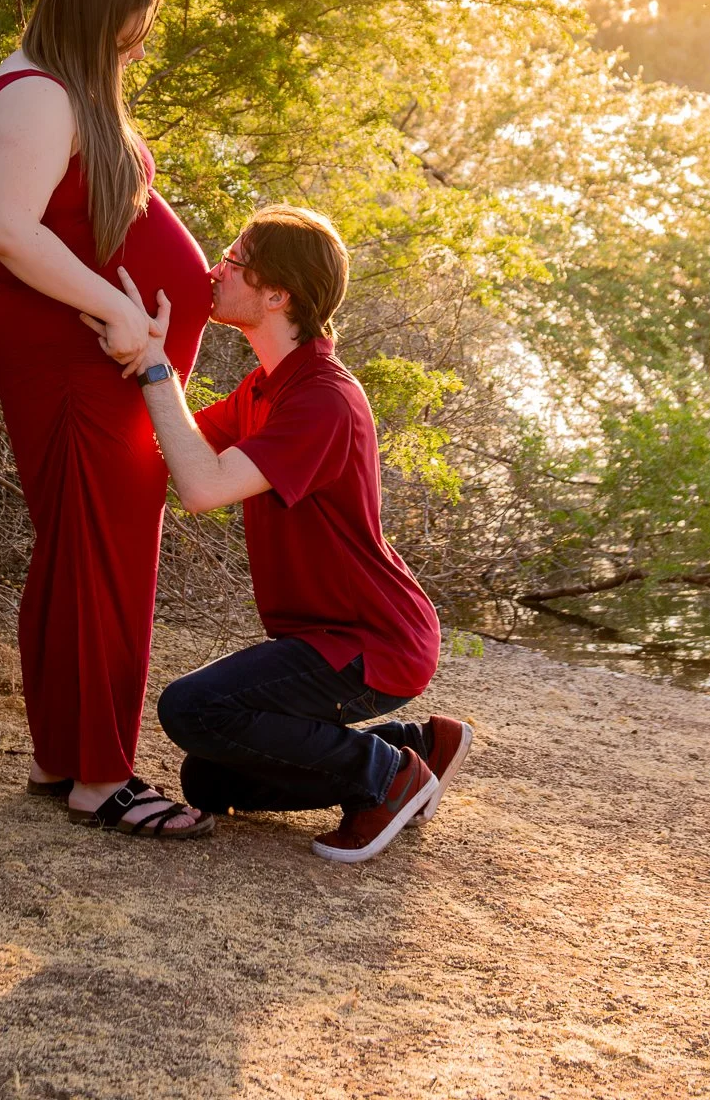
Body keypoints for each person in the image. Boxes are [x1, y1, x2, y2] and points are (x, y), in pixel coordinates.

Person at [85, 206, 473, 864]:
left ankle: (386, 776)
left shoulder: (323, 398)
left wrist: (155, 366)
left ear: (276, 295)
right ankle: (418, 745)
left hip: (371, 641)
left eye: (232, 261)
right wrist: (131, 353)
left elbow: (201, 486)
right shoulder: (266, 387)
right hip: (323, 636)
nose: (215, 271)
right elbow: (174, 446)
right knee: (209, 779)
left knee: (192, 710)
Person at [0, 0, 213, 838]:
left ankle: (62, 758)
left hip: (98, 355)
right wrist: (120, 311)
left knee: (81, 554)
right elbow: (10, 232)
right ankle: (101, 779)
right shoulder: (36, 95)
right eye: (127, 34)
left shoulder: (60, 90)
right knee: (103, 559)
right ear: (90, 21)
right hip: (75, 358)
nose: (136, 50)